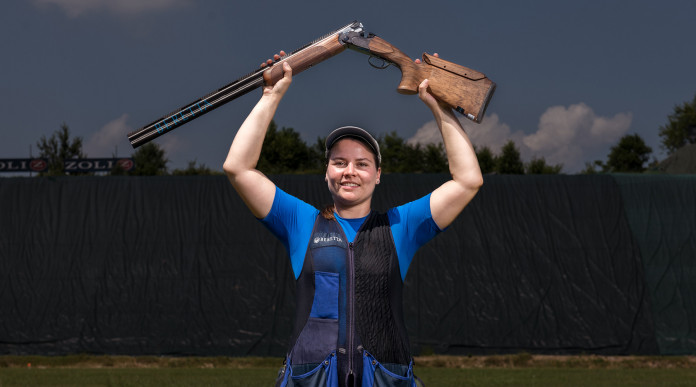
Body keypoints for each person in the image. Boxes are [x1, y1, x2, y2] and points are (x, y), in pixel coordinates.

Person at [223, 52, 483, 387]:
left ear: (377, 175)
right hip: (311, 379)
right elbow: (238, 168)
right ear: (327, 172)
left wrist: (438, 105)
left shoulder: (400, 226)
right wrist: (271, 96)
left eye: (362, 163)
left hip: (385, 379)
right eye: (339, 161)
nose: (349, 171)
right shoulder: (302, 221)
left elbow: (468, 180)